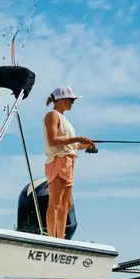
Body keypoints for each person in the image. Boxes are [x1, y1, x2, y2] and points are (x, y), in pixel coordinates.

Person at [43, 85, 96, 239]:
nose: (73, 102)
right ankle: (52, 238)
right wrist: (77, 138)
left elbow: (66, 143)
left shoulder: (64, 118)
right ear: (61, 100)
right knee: (55, 203)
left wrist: (80, 145)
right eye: (71, 99)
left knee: (66, 204)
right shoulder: (52, 115)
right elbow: (53, 141)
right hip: (58, 161)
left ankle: (60, 239)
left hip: (69, 162)